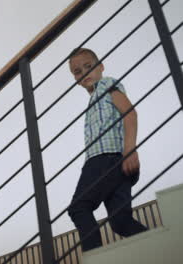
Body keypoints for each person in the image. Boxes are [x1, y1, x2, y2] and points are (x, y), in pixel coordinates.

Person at [67, 48, 148, 252]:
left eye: (88, 66)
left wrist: (130, 150)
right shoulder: (95, 98)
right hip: (115, 163)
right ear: (75, 78)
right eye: (77, 71)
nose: (84, 73)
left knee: (79, 207)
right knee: (120, 222)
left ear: (101, 66)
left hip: (105, 160)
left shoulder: (106, 84)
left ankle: (95, 257)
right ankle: (155, 241)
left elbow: (130, 114)